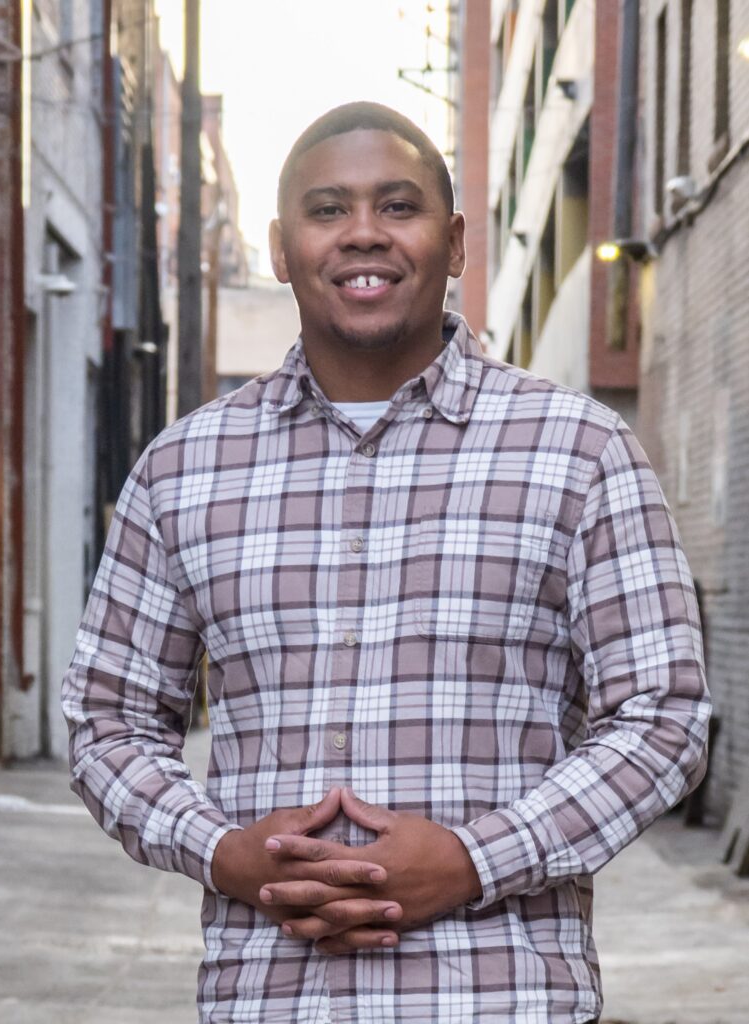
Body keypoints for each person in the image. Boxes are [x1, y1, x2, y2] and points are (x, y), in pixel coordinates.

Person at [62, 102, 710, 1024]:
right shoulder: (184, 468)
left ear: (452, 244)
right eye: (327, 210)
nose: (362, 233)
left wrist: (476, 858)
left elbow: (662, 714)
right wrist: (221, 850)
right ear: (281, 248)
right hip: (269, 997)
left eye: (396, 206)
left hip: (503, 998)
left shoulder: (578, 451)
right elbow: (108, 717)